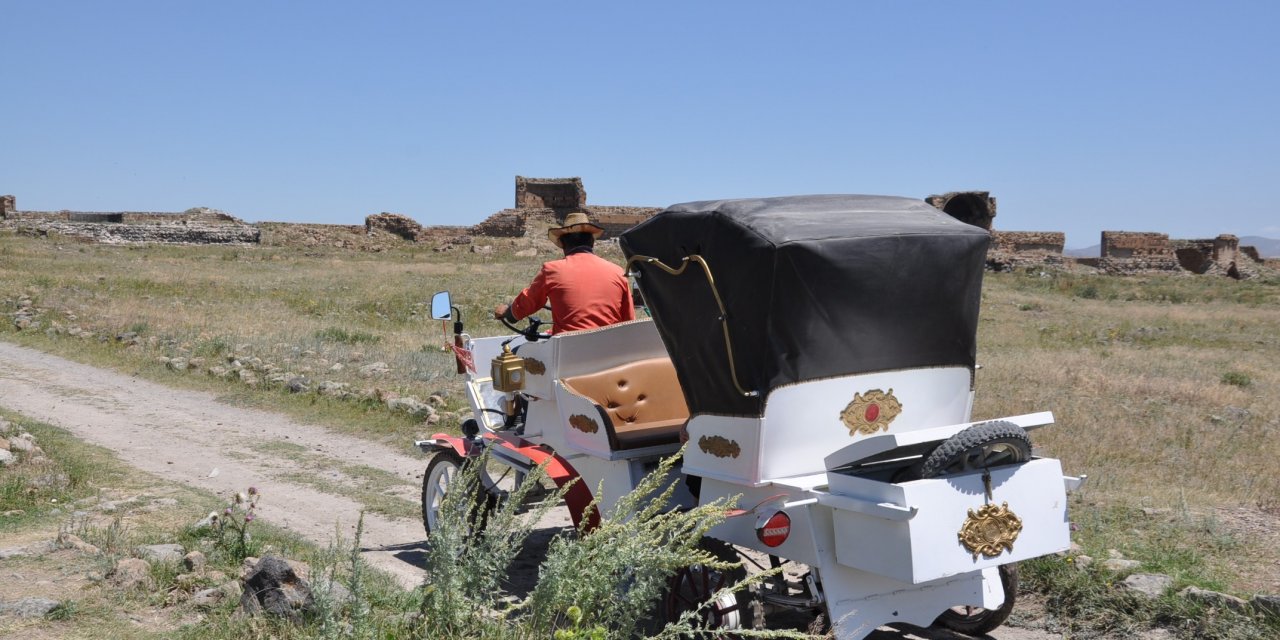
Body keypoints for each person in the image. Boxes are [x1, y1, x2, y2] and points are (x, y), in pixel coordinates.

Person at [493, 211, 635, 334]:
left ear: (563, 245)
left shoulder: (552, 270)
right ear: (592, 242)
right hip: (608, 353)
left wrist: (509, 313)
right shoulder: (618, 272)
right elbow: (629, 323)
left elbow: (529, 302)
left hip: (568, 352)